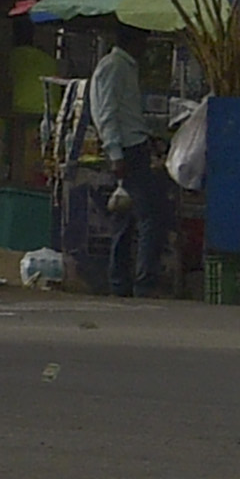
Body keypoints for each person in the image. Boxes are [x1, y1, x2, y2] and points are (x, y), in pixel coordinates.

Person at [86, 30, 172, 297]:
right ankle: (144, 283)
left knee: (125, 219)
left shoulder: (122, 67)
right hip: (128, 150)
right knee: (150, 219)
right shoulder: (115, 67)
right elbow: (107, 113)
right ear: (133, 41)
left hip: (131, 146)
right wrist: (115, 153)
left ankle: (120, 282)